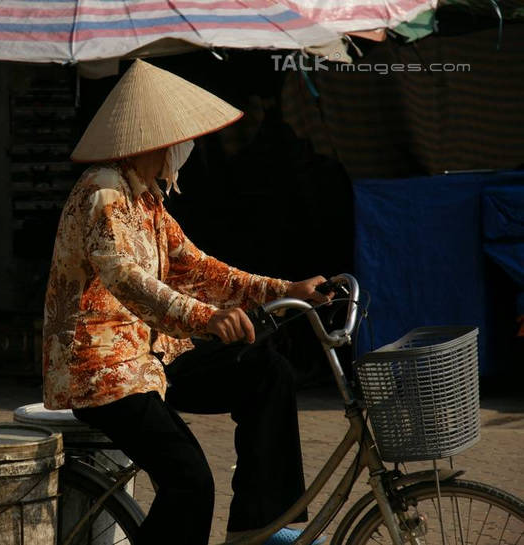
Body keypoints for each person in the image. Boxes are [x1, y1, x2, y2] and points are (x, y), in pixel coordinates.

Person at [42, 59, 330, 545]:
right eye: (179, 138)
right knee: (190, 482)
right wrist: (207, 318)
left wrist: (286, 290)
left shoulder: (148, 199)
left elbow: (198, 268)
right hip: (102, 373)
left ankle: (257, 529)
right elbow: (128, 280)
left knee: (267, 371)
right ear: (155, 139)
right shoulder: (102, 192)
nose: (185, 148)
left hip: (152, 358)